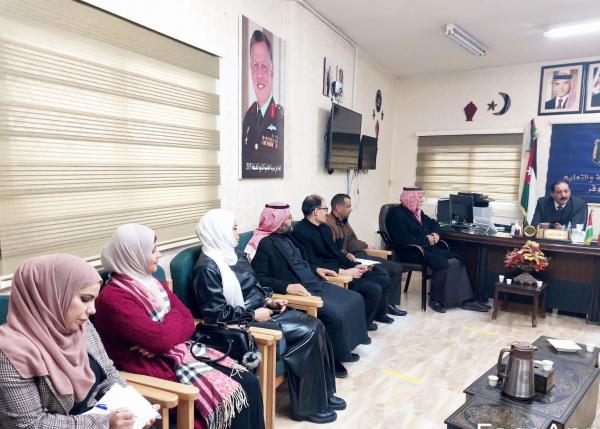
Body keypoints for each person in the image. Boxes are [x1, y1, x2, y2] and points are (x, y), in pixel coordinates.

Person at [95, 224, 264, 429]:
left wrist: (165, 335)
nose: (159, 255)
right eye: (153, 250)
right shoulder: (113, 298)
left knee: (249, 382)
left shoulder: (152, 283)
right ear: (133, 256)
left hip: (177, 355)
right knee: (234, 394)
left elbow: (187, 320)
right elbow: (161, 338)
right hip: (154, 372)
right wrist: (168, 331)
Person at [192, 210, 345, 424]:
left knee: (317, 324)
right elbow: (215, 313)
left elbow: (255, 285)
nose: (238, 233)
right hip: (242, 324)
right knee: (309, 331)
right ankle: (308, 406)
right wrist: (252, 314)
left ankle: (323, 394)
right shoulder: (207, 268)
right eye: (233, 229)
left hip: (262, 312)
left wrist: (269, 300)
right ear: (219, 232)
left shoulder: (235, 255)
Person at [0, 254, 157, 429]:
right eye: (85, 299)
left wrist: (137, 408)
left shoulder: (81, 325)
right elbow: (29, 424)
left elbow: (108, 373)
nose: (93, 310)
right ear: (52, 296)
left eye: (93, 299)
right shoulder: (9, 353)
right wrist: (105, 423)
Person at [246, 202, 371, 378]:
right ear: (277, 221)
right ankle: (332, 360)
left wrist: (316, 269)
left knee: (354, 298)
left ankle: (343, 350)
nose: (291, 220)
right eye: (288, 217)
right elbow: (259, 279)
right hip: (298, 290)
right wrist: (286, 287)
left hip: (313, 281)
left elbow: (301, 262)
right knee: (334, 313)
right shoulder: (263, 244)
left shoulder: (287, 237)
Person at [292, 195, 394, 329]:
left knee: (381, 275)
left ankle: (377, 314)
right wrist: (343, 271)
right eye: (325, 209)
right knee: (373, 289)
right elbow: (312, 263)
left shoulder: (324, 227)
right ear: (316, 211)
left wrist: (356, 265)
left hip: (339, 266)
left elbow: (336, 252)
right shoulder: (300, 232)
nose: (327, 212)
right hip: (328, 274)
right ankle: (362, 324)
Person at [386, 188, 489, 314]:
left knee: (457, 260)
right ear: (411, 198)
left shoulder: (417, 212)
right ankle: (436, 300)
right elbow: (403, 240)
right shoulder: (397, 216)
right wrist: (426, 240)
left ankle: (466, 299)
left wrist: (435, 234)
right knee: (442, 263)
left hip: (424, 249)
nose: (422, 200)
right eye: (419, 197)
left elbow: (433, 223)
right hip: (410, 252)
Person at [326, 193, 407, 317]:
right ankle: (382, 309)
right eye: (348, 206)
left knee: (395, 267)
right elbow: (338, 248)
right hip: (352, 258)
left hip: (361, 253)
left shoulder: (343, 220)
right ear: (338, 208)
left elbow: (352, 240)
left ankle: (389, 305)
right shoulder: (329, 224)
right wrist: (351, 252)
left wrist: (365, 245)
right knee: (384, 272)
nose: (351, 209)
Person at [241, 30, 284, 179]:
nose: (259, 74)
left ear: (272, 72)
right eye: (255, 66)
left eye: (264, 66)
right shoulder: (248, 116)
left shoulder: (281, 118)